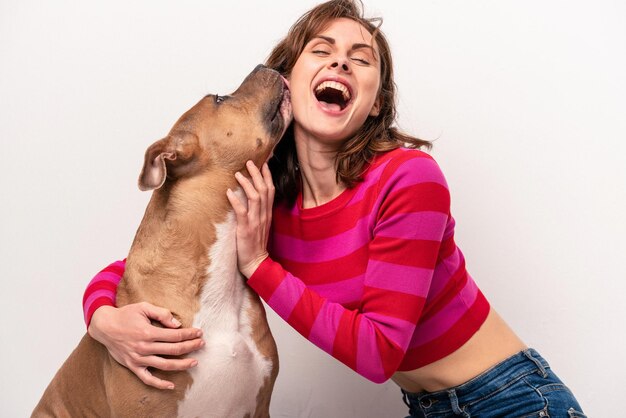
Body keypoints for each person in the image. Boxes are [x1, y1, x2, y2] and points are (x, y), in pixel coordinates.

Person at [83, 1, 586, 417]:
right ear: (287, 84)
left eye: (360, 58)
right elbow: (156, 262)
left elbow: (378, 353)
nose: (341, 63)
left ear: (373, 103)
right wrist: (102, 318)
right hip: (430, 408)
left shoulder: (408, 177)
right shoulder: (271, 206)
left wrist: (258, 266)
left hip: (514, 399)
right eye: (321, 51)